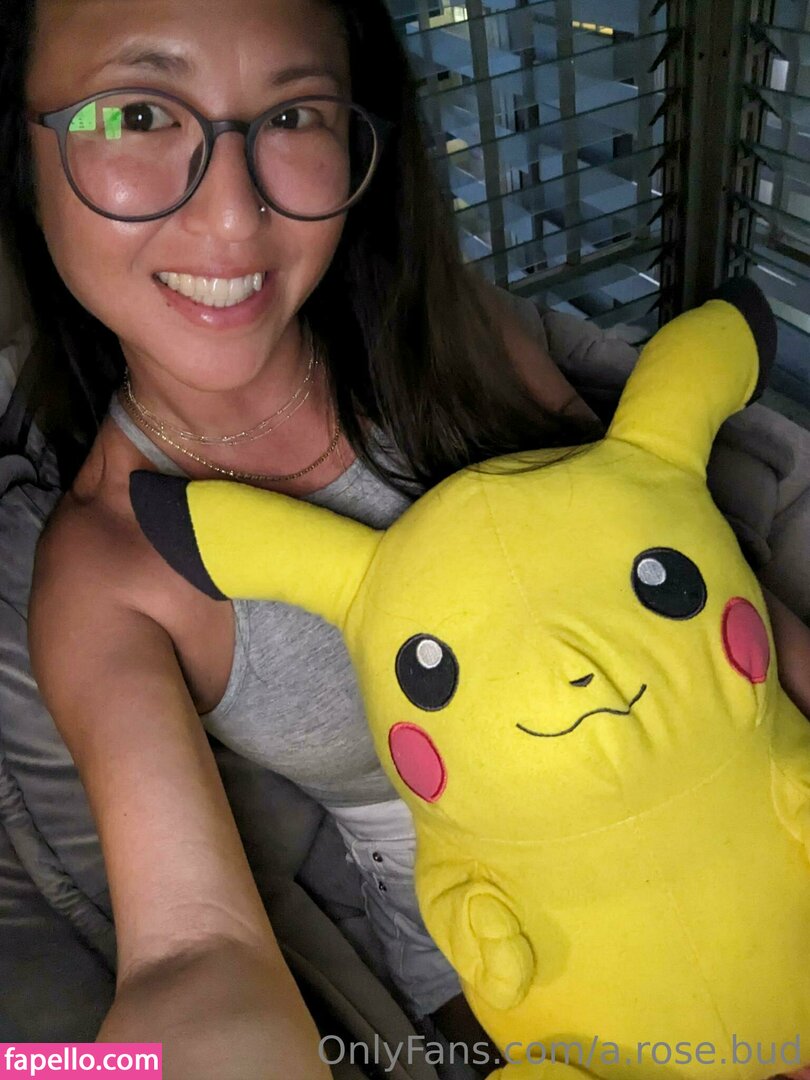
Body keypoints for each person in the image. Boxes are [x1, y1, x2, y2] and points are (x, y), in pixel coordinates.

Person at [2, 1, 810, 1078]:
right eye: (139, 113)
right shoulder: (107, 571)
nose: (234, 217)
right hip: (520, 960)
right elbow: (195, 947)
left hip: (743, 802)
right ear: (23, 151)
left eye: (294, 114)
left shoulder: (445, 330)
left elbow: (673, 563)